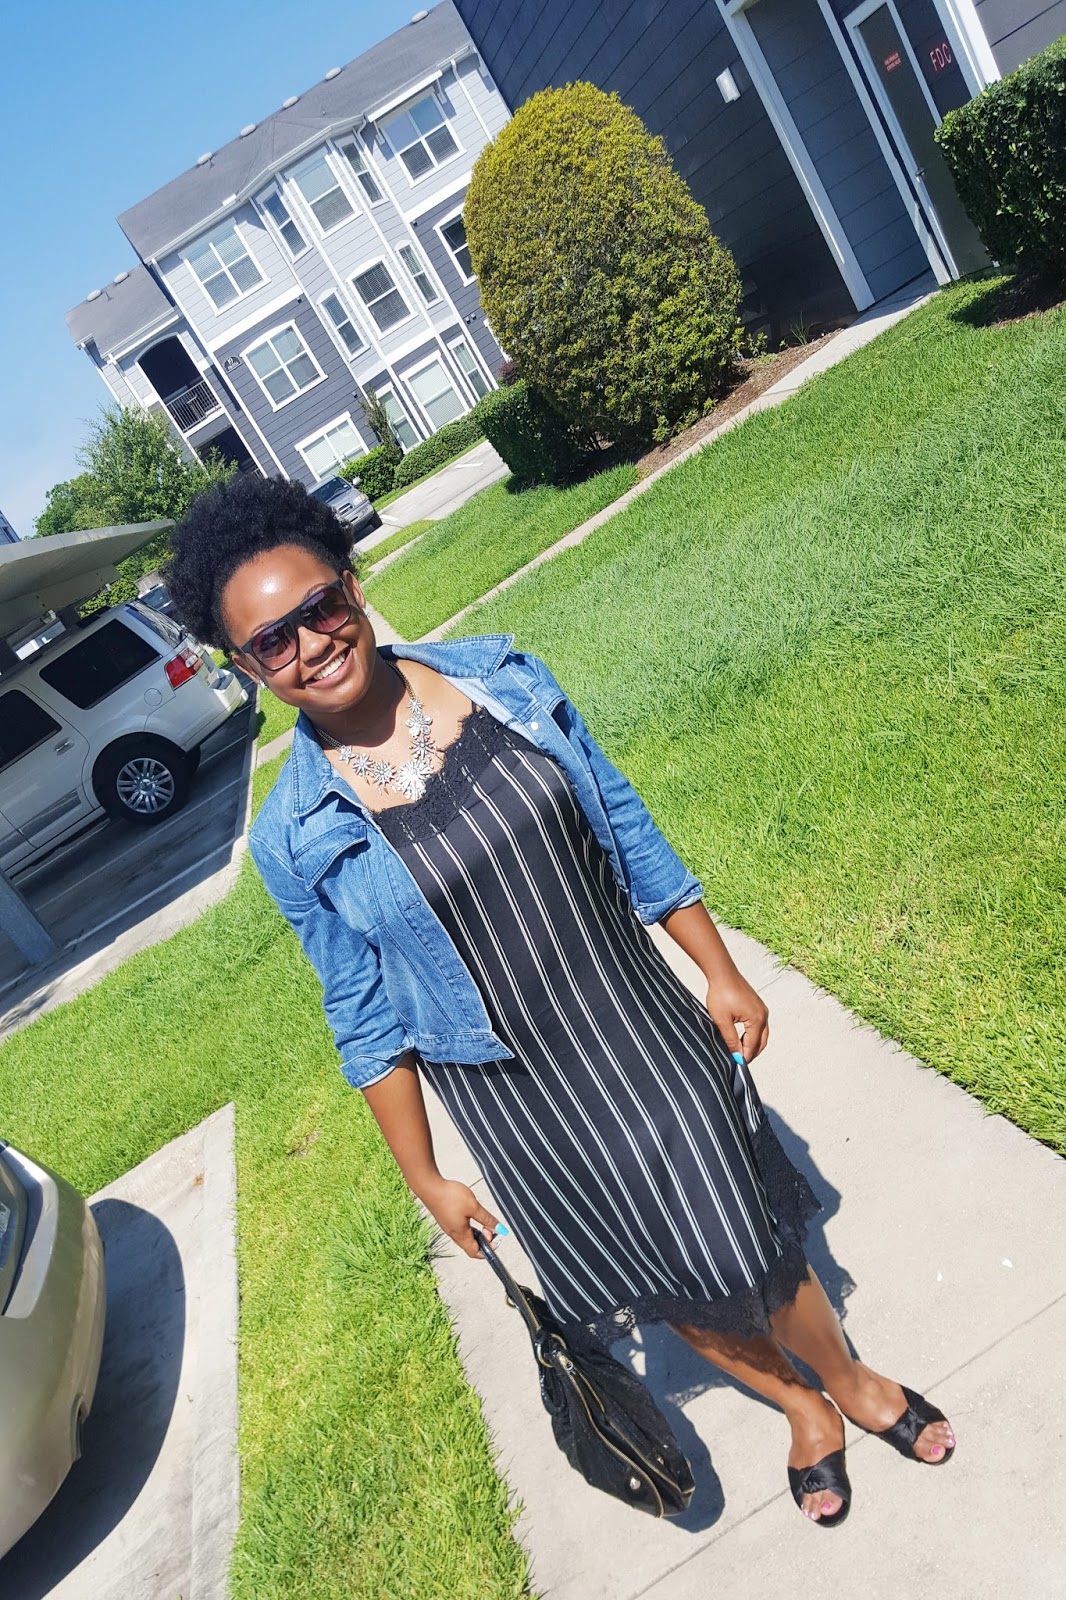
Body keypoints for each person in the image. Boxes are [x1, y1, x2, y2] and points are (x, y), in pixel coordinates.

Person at [166, 474, 955, 1526]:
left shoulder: (500, 678)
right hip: (512, 1096)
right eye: (273, 641)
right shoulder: (292, 835)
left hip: (630, 1019)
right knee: (649, 1267)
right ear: (247, 668)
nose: (310, 645)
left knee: (745, 1237)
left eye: (319, 607)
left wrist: (717, 967)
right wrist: (427, 1177)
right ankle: (800, 1408)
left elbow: (620, 821)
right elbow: (361, 1014)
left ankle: (850, 1381)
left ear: (351, 587)